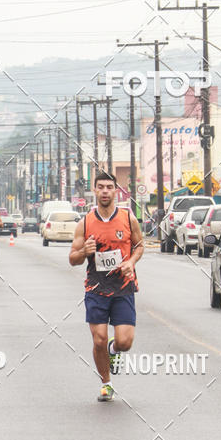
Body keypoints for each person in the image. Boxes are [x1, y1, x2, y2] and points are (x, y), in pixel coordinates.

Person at [69, 171, 144, 402]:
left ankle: (113, 351)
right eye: (100, 187)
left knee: (124, 342)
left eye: (109, 187)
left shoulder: (127, 217)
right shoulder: (85, 222)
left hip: (123, 287)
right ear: (94, 190)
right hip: (96, 289)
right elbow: (73, 258)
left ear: (115, 191)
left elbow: (140, 245)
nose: (104, 191)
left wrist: (130, 262)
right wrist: (84, 252)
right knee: (99, 338)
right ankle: (106, 383)